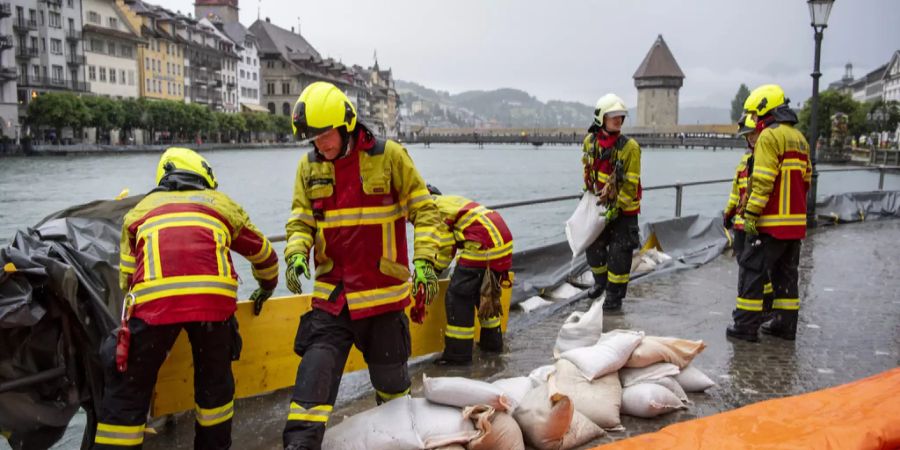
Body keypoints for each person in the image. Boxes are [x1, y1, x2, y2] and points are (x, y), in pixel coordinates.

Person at [282, 82, 441, 450]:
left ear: (347, 123)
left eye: (324, 134)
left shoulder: (391, 157)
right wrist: (294, 252)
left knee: (394, 396)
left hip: (383, 301)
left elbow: (426, 211)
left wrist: (425, 261)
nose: (319, 144)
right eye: (312, 138)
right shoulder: (308, 168)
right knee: (309, 395)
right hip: (332, 301)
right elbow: (300, 221)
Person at [94, 147, 278, 449]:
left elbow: (127, 278)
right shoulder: (221, 205)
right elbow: (265, 255)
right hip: (212, 308)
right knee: (214, 390)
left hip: (154, 309)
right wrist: (267, 287)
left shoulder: (139, 211)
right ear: (204, 177)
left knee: (126, 394)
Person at [727, 84, 811, 342]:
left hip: (770, 223)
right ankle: (784, 325)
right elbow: (806, 179)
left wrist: (750, 215)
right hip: (794, 225)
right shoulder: (799, 138)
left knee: (752, 271)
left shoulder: (768, 137)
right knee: (786, 275)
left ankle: (745, 326)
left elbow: (762, 181)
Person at [427, 185, 513, 365]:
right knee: (484, 296)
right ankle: (492, 344)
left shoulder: (433, 209)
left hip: (484, 246)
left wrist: (433, 271)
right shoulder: (450, 201)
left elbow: (445, 247)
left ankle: (458, 356)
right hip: (501, 244)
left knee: (458, 297)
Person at [581, 93, 642, 311]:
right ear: (601, 118)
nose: (618, 120)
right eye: (613, 115)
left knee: (619, 254)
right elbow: (588, 169)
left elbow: (630, 185)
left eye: (621, 116)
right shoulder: (590, 142)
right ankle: (600, 283)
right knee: (593, 246)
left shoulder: (630, 147)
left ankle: (614, 297)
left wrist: (616, 208)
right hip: (601, 207)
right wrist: (588, 194)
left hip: (624, 212)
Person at [724, 114, 774, 304]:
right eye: (748, 136)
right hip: (741, 223)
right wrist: (728, 213)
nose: (750, 138)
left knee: (754, 264)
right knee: (744, 260)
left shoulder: (764, 158)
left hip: (754, 222)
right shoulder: (745, 161)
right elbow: (736, 191)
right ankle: (759, 298)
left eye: (753, 134)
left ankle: (763, 302)